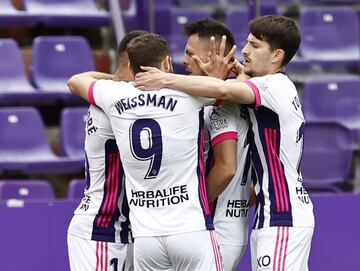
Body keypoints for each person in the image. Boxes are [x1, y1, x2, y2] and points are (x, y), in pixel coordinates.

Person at [134, 15, 315, 271]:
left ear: (277, 56)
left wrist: (165, 80)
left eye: (254, 46)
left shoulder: (273, 86)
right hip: (274, 214)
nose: (244, 50)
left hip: (282, 216)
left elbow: (225, 91)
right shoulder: (275, 87)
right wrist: (236, 71)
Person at [68, 33, 224, 271]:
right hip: (110, 225)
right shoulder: (188, 96)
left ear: (130, 67)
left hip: (141, 234)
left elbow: (76, 80)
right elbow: (225, 89)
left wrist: (114, 80)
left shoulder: (110, 96)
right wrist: (171, 80)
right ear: (167, 63)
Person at [67, 30, 146, 271]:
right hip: (103, 226)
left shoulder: (106, 93)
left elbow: (78, 79)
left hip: (123, 228)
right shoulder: (120, 101)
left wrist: (113, 78)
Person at [182, 19, 253, 271]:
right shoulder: (223, 96)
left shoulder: (225, 100)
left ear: (215, 57)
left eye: (190, 54)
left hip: (216, 227)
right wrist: (240, 200)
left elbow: (226, 168)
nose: (183, 60)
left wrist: (189, 210)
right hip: (227, 222)